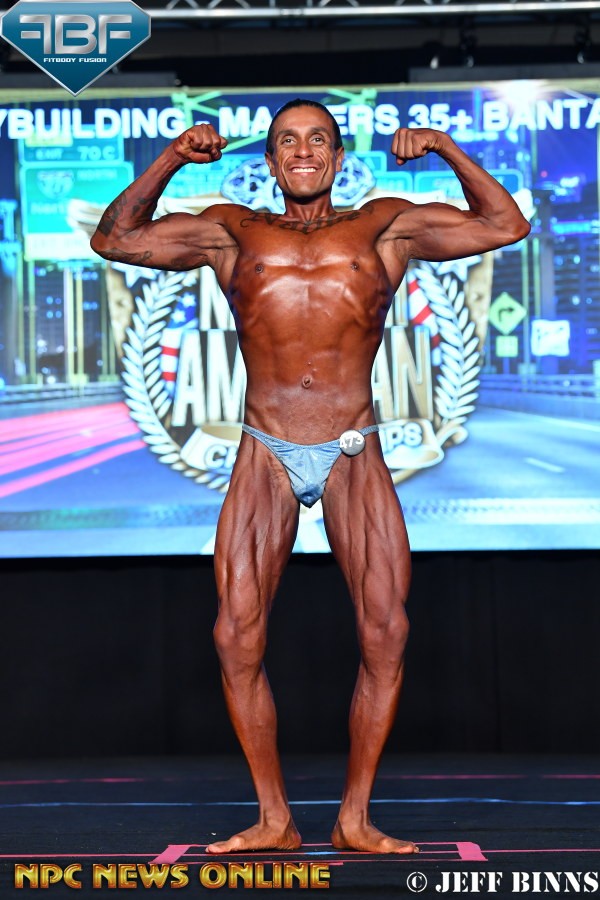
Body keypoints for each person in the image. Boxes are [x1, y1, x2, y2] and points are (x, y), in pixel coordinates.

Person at [91, 98, 530, 855]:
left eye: (318, 139)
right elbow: (115, 238)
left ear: (337, 156)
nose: (303, 151)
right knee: (235, 636)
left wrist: (444, 145)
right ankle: (275, 819)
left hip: (353, 446)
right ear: (269, 161)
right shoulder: (233, 231)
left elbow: (505, 225)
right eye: (288, 141)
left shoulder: (384, 227)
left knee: (387, 631)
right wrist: (171, 158)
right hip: (265, 447)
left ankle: (354, 817)